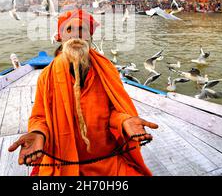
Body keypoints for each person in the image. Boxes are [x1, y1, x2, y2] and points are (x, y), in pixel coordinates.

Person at [8, 9, 158, 176]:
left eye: (82, 30)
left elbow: (113, 112)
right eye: (69, 29)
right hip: (62, 160)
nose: (76, 35)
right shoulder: (47, 76)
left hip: (105, 159)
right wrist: (38, 133)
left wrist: (124, 121)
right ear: (60, 37)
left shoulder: (106, 70)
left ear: (90, 37)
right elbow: (39, 117)